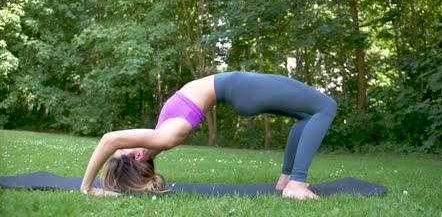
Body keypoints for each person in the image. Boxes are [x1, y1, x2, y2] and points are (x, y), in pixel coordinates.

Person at [80, 71, 337, 200]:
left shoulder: (160, 134)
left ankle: (287, 180)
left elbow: (114, 142)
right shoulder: (166, 137)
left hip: (240, 91)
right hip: (242, 88)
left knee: (307, 115)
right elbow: (109, 138)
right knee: (326, 106)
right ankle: (297, 184)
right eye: (124, 149)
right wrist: (87, 187)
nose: (125, 141)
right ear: (137, 154)